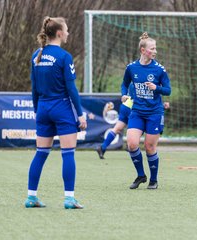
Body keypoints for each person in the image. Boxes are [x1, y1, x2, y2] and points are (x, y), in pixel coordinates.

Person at [25, 16, 87, 209]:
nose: (68, 33)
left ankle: (31, 197)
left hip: (43, 108)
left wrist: (38, 111)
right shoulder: (64, 57)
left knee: (41, 153)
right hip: (61, 108)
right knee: (68, 154)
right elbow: (71, 89)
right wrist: (80, 113)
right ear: (59, 33)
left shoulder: (37, 55)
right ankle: (69, 199)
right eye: (66, 30)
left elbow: (34, 89)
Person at [121, 32, 171, 190]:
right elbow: (124, 83)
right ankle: (141, 175)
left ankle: (154, 180)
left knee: (149, 147)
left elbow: (168, 90)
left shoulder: (159, 70)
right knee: (132, 143)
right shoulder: (131, 68)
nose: (155, 51)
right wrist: (124, 94)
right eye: (152, 48)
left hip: (154, 113)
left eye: (155, 48)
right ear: (143, 50)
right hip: (137, 111)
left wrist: (157, 88)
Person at [96, 98, 170, 160]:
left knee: (117, 128)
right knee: (139, 126)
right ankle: (130, 145)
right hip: (133, 108)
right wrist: (161, 105)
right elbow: (148, 100)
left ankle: (102, 147)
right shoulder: (150, 84)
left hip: (125, 105)